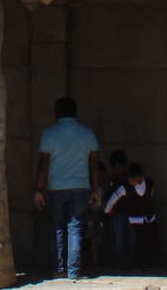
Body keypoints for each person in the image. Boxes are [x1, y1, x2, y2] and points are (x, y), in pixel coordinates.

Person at [33, 95, 102, 279]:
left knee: (57, 227)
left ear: (57, 113)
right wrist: (95, 188)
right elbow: (94, 163)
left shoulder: (49, 133)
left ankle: (59, 269)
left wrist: (38, 189)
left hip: (56, 187)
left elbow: (44, 163)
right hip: (80, 186)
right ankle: (74, 271)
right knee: (75, 228)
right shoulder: (87, 133)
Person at [102, 162, 159, 271]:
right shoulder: (124, 187)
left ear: (140, 177)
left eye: (132, 178)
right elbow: (112, 200)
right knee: (130, 243)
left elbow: (150, 199)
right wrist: (107, 211)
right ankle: (127, 265)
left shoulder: (149, 184)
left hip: (148, 220)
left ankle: (147, 264)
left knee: (147, 243)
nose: (130, 181)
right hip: (132, 221)